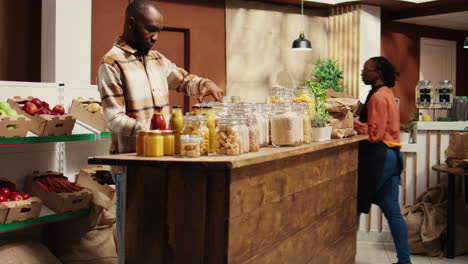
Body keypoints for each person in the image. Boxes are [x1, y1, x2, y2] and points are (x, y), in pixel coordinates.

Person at [97, 0, 224, 154]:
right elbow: (114, 119)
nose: (155, 37)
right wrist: (156, 131)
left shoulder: (157, 59)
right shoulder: (112, 64)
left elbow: (183, 80)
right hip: (131, 165)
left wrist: (205, 84)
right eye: (150, 30)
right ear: (131, 24)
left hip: (163, 157)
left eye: (158, 31)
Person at [353, 57, 412, 264]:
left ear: (377, 73)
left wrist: (349, 121)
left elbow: (374, 134)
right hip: (393, 157)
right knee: (392, 210)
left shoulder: (378, 97)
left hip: (379, 157)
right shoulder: (388, 94)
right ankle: (404, 261)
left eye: (365, 70)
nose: (362, 73)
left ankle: (344, 256)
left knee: (357, 205)